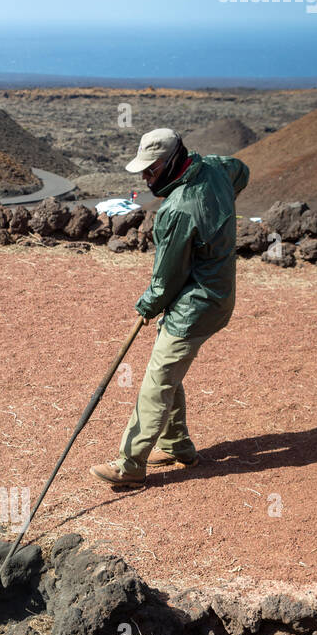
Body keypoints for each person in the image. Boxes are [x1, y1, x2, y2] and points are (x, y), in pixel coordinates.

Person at [90, 127, 250, 492]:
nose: (145, 177)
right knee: (166, 369)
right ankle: (177, 445)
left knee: (158, 379)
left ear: (173, 160)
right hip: (216, 294)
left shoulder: (177, 209)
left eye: (151, 169)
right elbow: (242, 171)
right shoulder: (215, 168)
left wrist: (147, 306)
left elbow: (166, 278)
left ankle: (130, 465)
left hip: (196, 304)